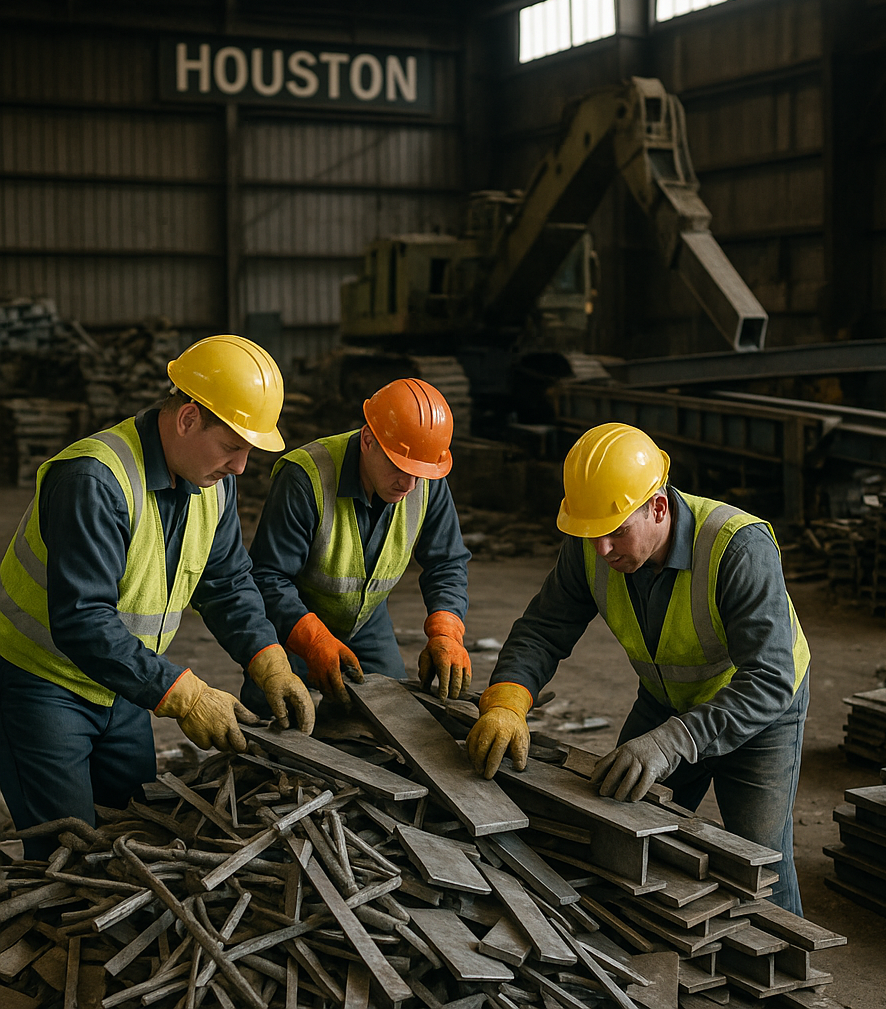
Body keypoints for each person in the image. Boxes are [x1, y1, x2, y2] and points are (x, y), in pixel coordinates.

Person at [466, 422, 810, 915]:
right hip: (667, 698)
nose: (602, 550)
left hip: (758, 710)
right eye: (591, 533)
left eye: (617, 531)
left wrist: (671, 742)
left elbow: (770, 678)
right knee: (617, 834)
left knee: (760, 862)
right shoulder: (593, 546)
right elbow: (544, 629)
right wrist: (507, 699)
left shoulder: (737, 548)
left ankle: (790, 987)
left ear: (659, 507)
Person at [0, 335, 316, 857]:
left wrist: (270, 660)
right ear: (188, 419)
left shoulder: (211, 480)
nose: (240, 467)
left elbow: (228, 582)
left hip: (122, 683)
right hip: (41, 684)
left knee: (136, 833)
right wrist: (187, 696)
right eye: (233, 446)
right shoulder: (94, 479)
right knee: (67, 857)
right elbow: (82, 619)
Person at [244, 377, 472, 718]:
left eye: (419, 474)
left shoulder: (424, 482)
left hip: (365, 620)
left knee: (395, 716)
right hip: (292, 619)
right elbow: (268, 577)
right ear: (368, 440)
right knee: (272, 715)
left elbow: (447, 563)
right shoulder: (304, 479)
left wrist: (447, 631)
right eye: (399, 467)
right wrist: (313, 641)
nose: (409, 485)